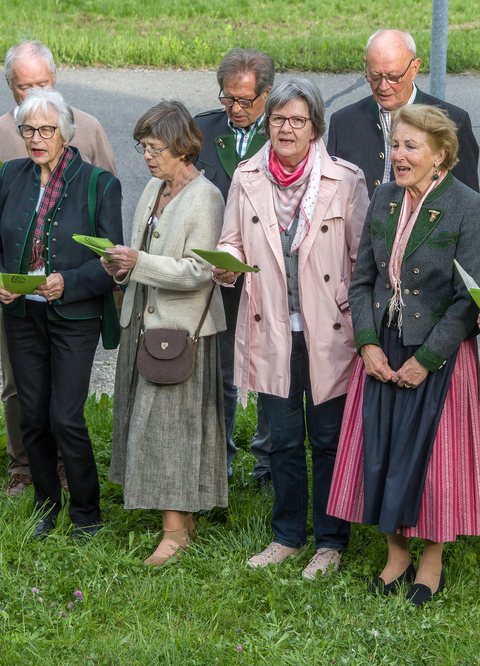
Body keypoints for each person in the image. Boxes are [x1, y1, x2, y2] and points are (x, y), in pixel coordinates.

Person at [327, 104, 480, 607]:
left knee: (434, 461)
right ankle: (395, 555)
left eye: (411, 147)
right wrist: (368, 343)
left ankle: (432, 561)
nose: (398, 155)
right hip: (384, 347)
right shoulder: (384, 197)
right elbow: (361, 280)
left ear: (440, 154)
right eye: (395, 145)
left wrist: (428, 359)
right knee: (382, 449)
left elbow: (469, 299)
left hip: (438, 351)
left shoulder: (468, 207)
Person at [213, 78, 369, 579]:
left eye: (298, 120)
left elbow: (362, 259)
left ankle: (330, 541)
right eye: (278, 119)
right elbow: (232, 240)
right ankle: (286, 536)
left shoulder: (345, 179)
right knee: (281, 439)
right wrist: (226, 263)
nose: (286, 128)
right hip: (272, 326)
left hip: (329, 330)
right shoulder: (247, 176)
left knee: (326, 440)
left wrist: (355, 315)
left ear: (315, 127)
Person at [0, 40, 118, 498]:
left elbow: (111, 252)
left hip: (73, 309)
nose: (36, 138)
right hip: (21, 307)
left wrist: (69, 281)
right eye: (29, 130)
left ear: (65, 133)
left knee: (65, 416)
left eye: (46, 130)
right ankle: (41, 497)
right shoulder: (10, 168)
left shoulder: (95, 167)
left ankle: (85, 511)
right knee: (30, 411)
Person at [105, 101, 228, 565]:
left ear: (182, 147)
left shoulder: (206, 197)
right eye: (143, 147)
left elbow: (200, 271)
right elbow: (143, 255)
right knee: (152, 426)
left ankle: (174, 534)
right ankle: (182, 522)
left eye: (155, 148)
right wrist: (121, 268)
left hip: (180, 335)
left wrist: (138, 263)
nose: (147, 157)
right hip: (143, 326)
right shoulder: (153, 188)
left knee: (171, 431)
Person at [193, 48, 275, 486]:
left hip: (270, 275)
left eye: (245, 100)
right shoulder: (201, 130)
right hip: (217, 274)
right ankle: (218, 463)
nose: (235, 108)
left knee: (270, 371)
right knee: (221, 372)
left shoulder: (286, 129)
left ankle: (267, 464)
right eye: (228, 98)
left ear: (267, 94)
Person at [327, 29, 479, 198]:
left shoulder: (453, 122)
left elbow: (468, 202)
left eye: (393, 77)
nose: (383, 86)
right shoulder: (343, 123)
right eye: (375, 76)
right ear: (366, 65)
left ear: (414, 68)